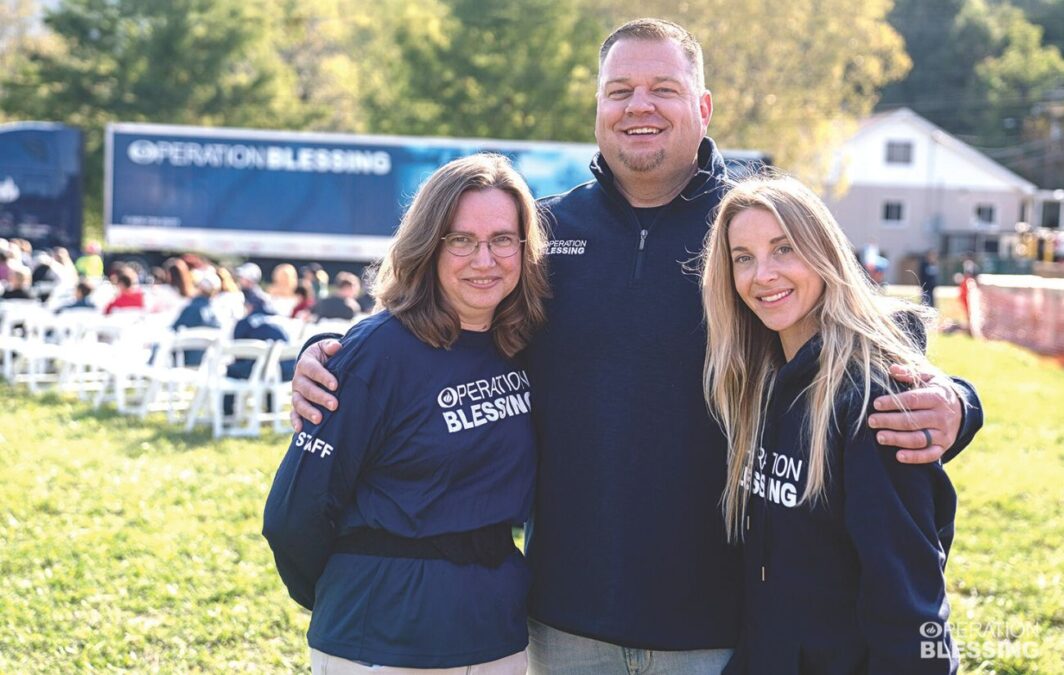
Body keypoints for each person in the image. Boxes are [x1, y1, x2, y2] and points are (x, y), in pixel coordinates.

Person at [290, 19, 982, 674]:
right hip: (561, 622)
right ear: (596, 106)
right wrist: (332, 346)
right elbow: (445, 323)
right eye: (619, 91)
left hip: (718, 627)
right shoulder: (543, 236)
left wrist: (957, 402)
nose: (637, 106)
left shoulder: (756, 229)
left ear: (703, 106)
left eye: (663, 89)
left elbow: (864, 331)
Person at [263, 153, 549, 673]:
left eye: (503, 240)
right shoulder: (376, 353)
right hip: (383, 636)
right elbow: (292, 516)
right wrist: (347, 591)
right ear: (427, 246)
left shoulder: (524, 345)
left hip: (496, 634)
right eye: (461, 240)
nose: (484, 260)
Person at [703, 175, 959, 674]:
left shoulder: (873, 398)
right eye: (743, 257)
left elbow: (910, 596)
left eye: (784, 249)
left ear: (824, 253)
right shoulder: (760, 379)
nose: (763, 275)